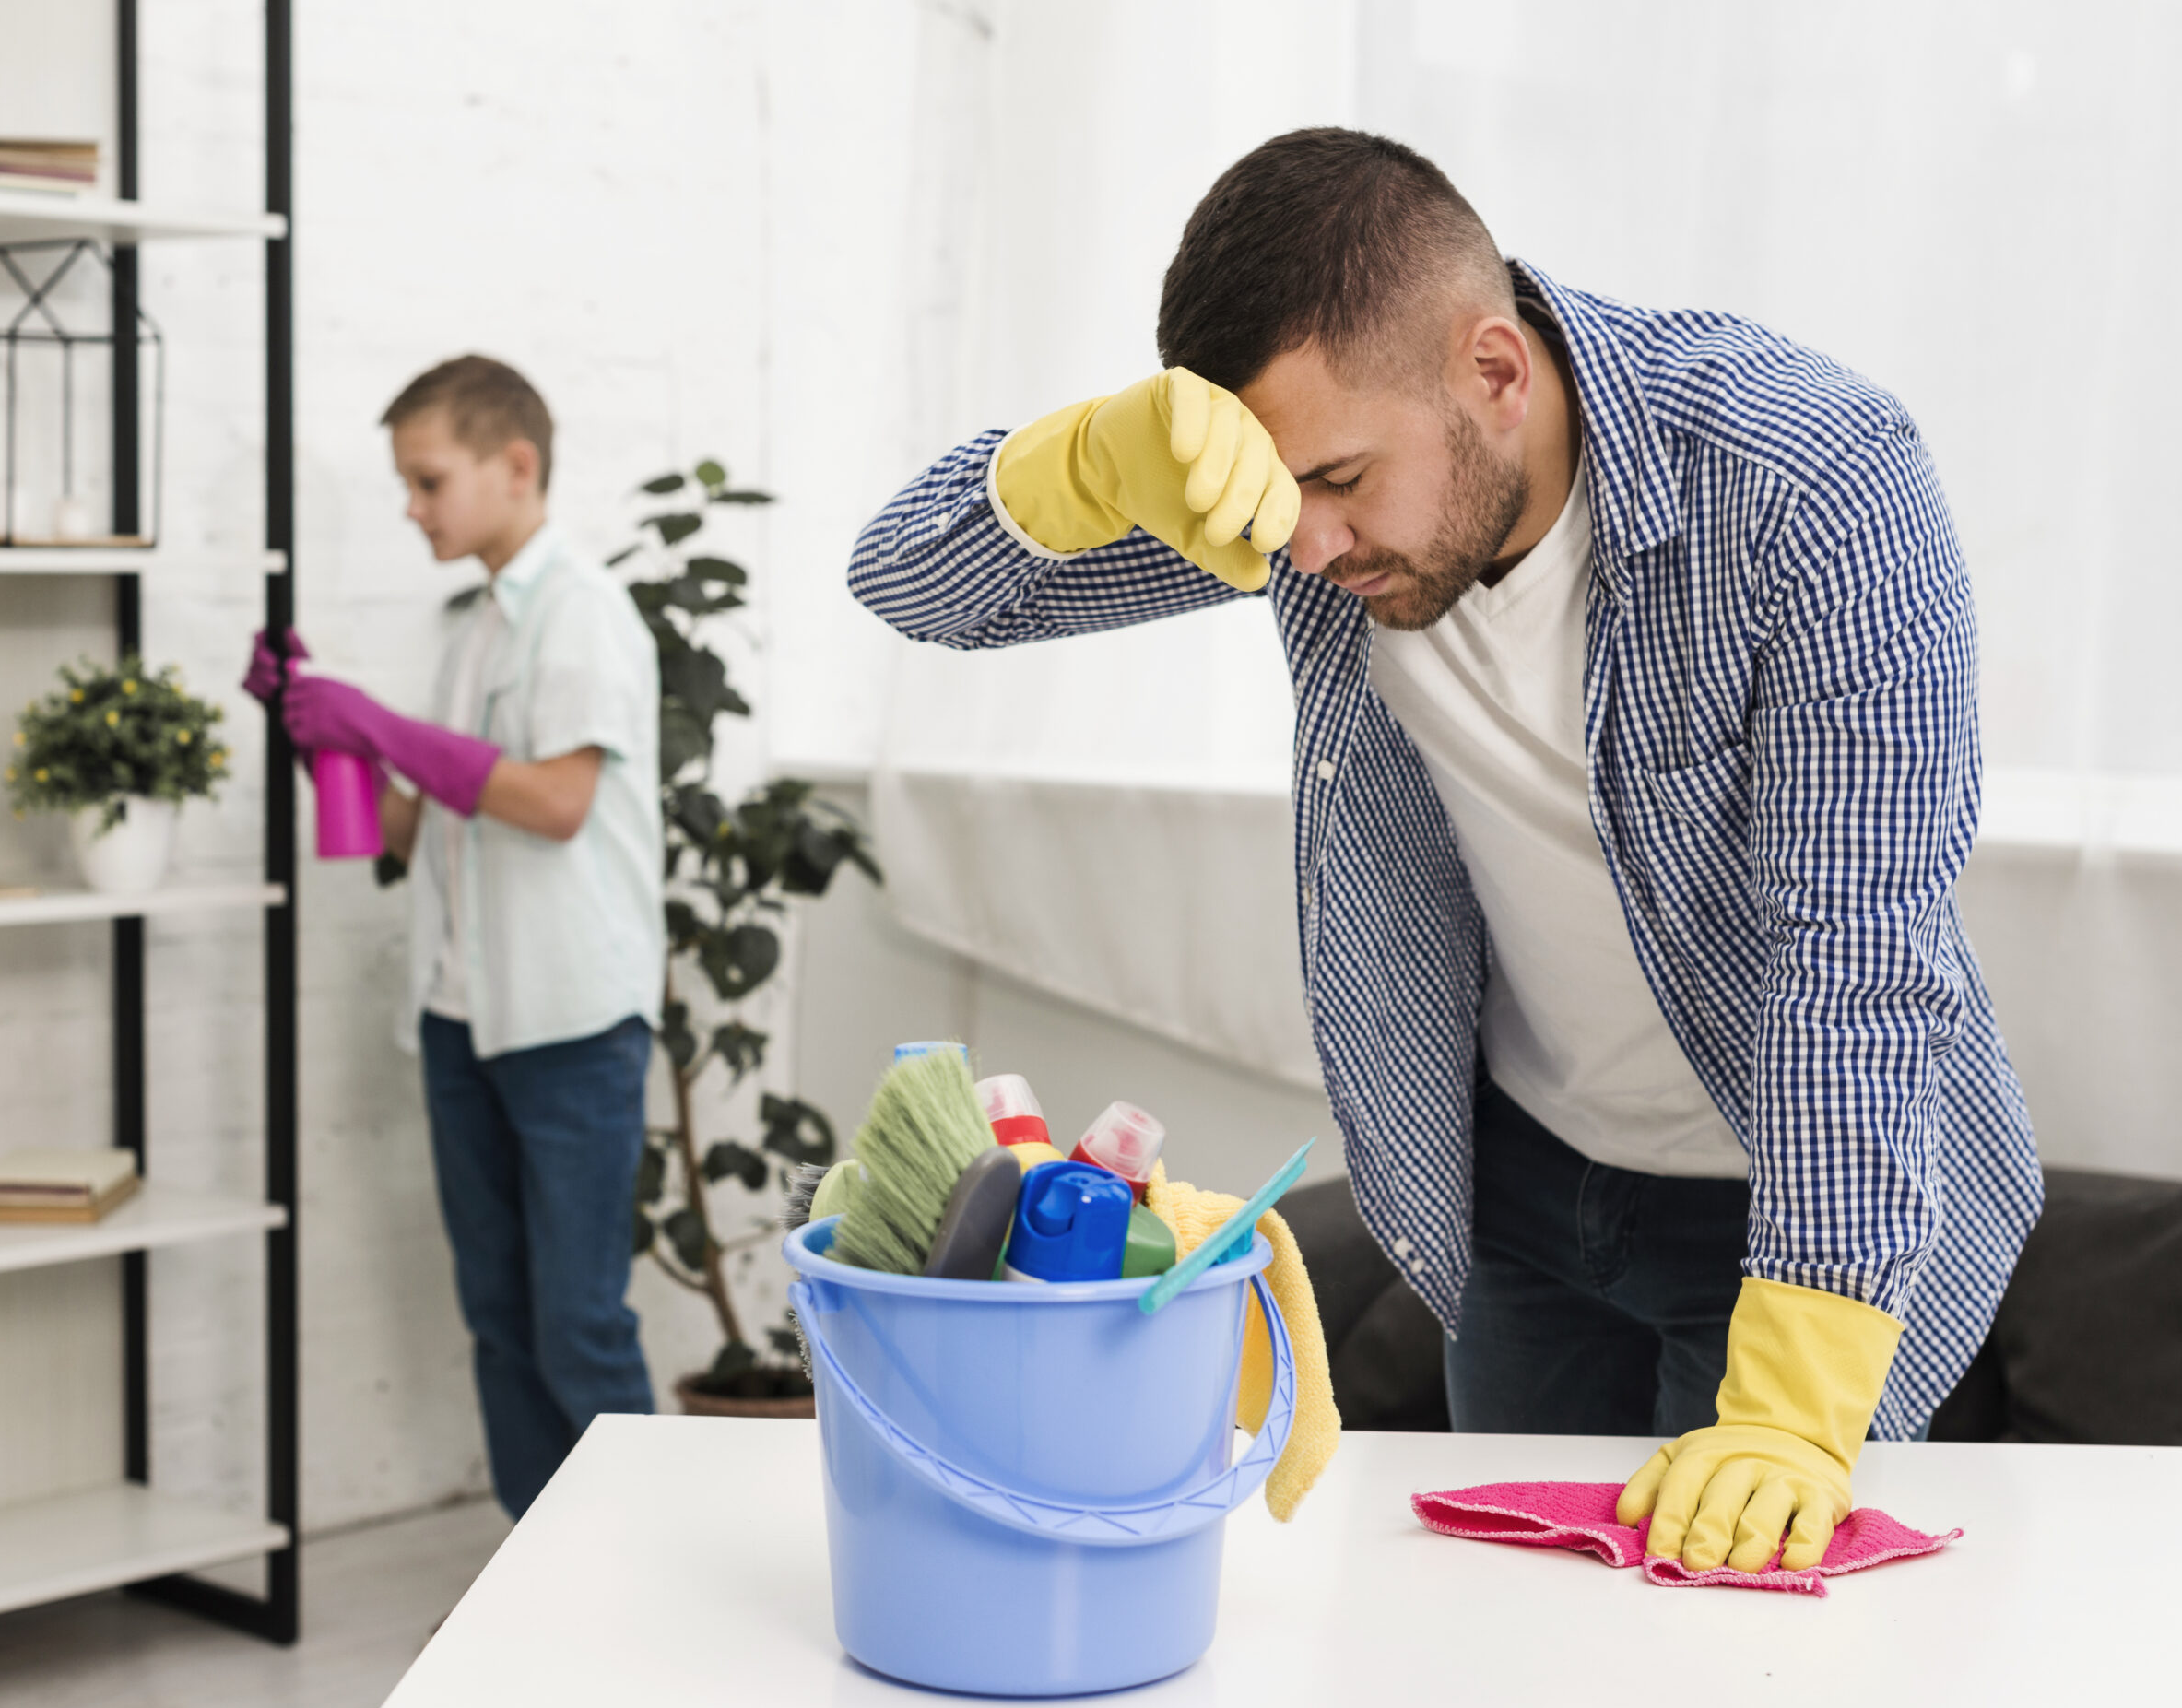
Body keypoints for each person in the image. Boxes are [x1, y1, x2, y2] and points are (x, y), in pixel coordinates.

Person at [848, 129, 2040, 1575]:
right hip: (1522, 1201)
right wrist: (1091, 457)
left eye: (1340, 483)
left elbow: (1861, 951)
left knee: (1733, 1666)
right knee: (1510, 1653)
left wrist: (1794, 1402)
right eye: (1280, 504)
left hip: (1789, 1217)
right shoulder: (1319, 501)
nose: (1308, 550)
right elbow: (911, 585)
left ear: (1494, 371)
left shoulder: (1808, 485)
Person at [246, 355, 664, 1518]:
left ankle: (633, 1599)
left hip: (570, 1021)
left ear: (514, 465)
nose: (412, 506)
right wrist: (318, 735)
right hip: (462, 1016)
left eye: (428, 481)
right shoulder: (472, 627)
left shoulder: (581, 613)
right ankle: (533, 1596)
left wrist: (375, 722)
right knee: (497, 1318)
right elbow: (414, 832)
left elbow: (553, 802)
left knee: (578, 1325)